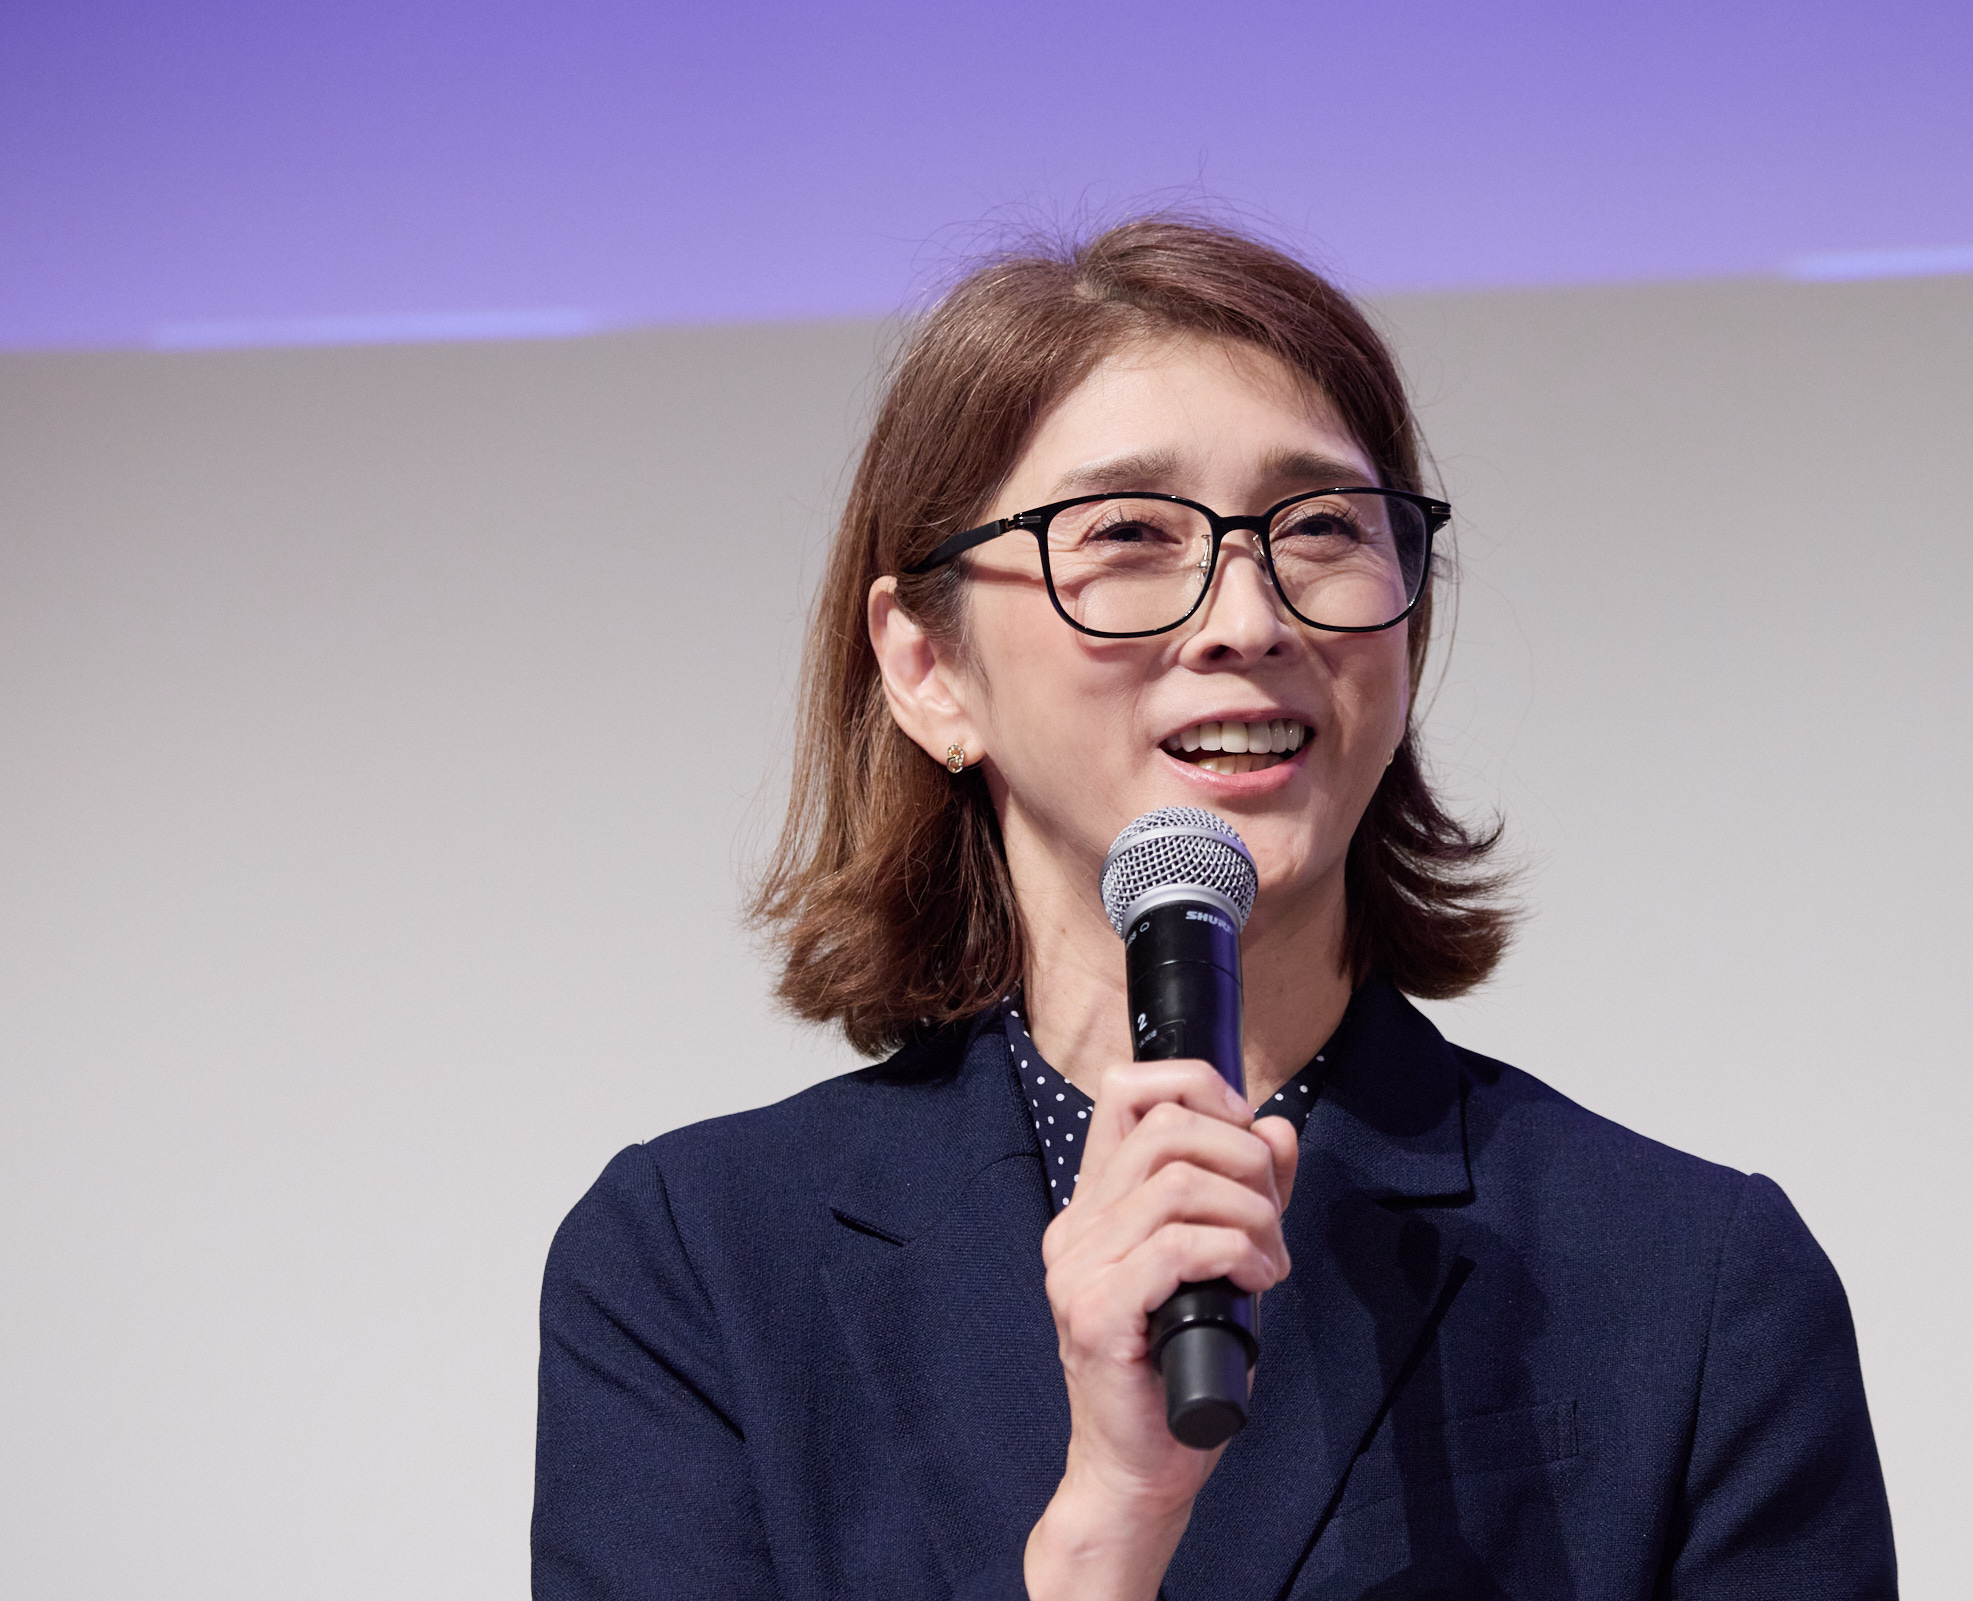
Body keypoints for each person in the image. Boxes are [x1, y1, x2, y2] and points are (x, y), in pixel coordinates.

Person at [533, 218, 1898, 1599]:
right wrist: (1109, 1524)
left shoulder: (1693, 1283)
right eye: (1129, 533)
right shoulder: (696, 1268)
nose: (1248, 617)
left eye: (1322, 527)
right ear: (929, 666)